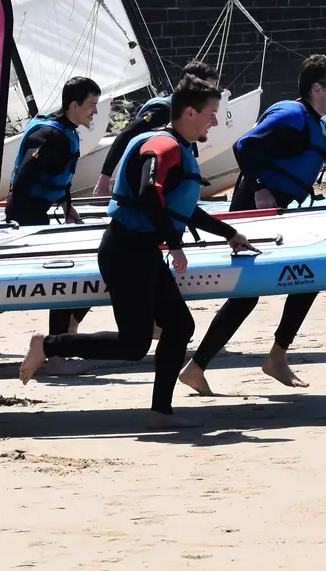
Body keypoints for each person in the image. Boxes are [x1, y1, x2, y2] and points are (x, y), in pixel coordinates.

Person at [19, 76, 256, 425]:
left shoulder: (176, 145)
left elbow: (181, 205)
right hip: (127, 251)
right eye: (211, 113)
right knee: (134, 346)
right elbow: (148, 191)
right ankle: (48, 345)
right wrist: (175, 245)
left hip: (140, 250)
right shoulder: (164, 146)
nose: (216, 122)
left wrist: (228, 232)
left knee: (178, 327)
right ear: (189, 112)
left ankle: (161, 411)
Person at [179, 55, 326, 395]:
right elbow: (245, 146)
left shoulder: (321, 129)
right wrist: (261, 188)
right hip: (255, 210)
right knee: (248, 294)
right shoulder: (290, 115)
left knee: (308, 276)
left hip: (281, 213)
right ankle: (198, 366)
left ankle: (272, 357)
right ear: (316, 88)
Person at [0, 76, 101, 363]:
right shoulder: (48, 135)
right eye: (91, 105)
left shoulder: (66, 131)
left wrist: (65, 204)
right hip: (27, 217)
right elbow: (24, 177)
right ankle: (56, 351)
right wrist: (23, 226)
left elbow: (57, 175)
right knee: (42, 285)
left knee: (57, 282)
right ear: (74, 105)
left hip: (39, 214)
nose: (94, 112)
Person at [93, 62, 219, 198]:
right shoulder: (163, 110)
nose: (213, 94)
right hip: (139, 190)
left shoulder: (190, 117)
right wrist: (104, 180)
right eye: (209, 88)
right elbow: (125, 135)